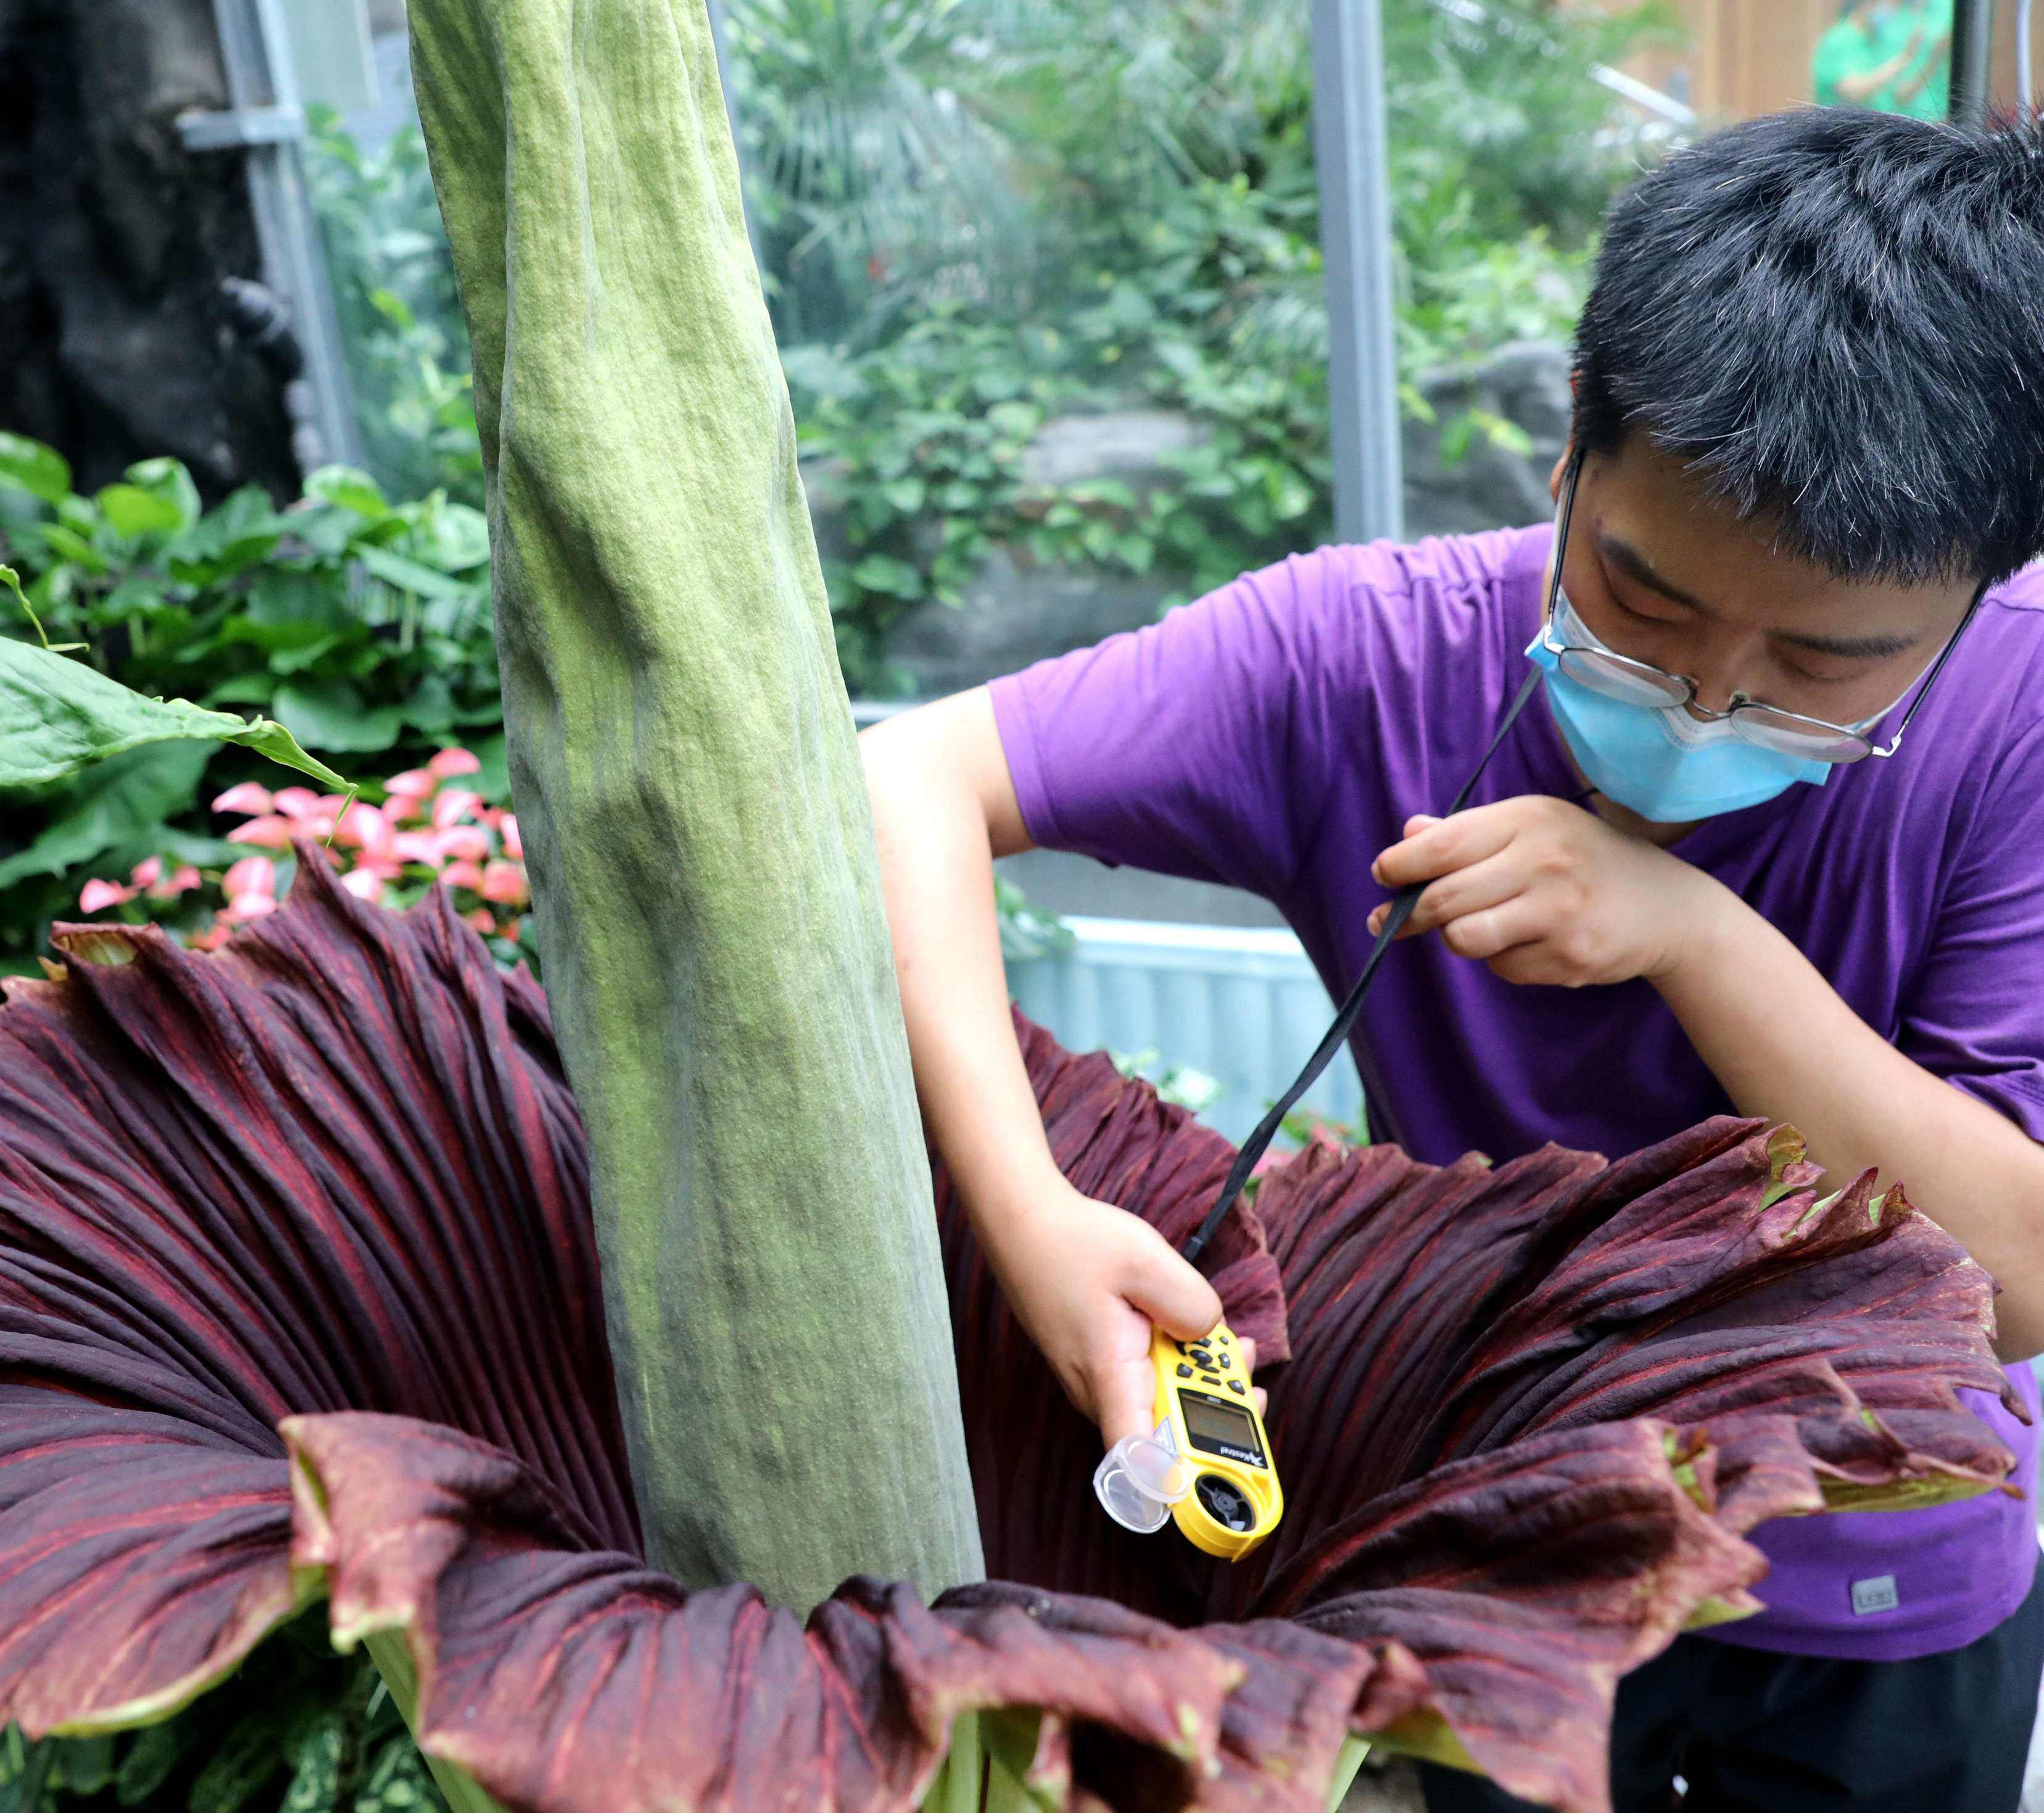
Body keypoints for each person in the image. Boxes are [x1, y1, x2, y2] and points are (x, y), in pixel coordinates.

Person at [863, 109, 2044, 1811]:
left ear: (1979, 590)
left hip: (1886, 1570)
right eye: (1641, 600)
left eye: (1819, 660)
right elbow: (907, 779)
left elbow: (2012, 1276)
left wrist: (1694, 937)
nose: (1708, 699)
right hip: (1500, 1550)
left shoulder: (2016, 726)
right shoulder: (1359, 654)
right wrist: (1027, 1209)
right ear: (1571, 447)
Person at [1813, 0, 1953, 119]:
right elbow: (1852, 92)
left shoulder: (1876, 42)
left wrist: (1934, 59)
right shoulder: (1841, 39)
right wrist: (1903, 60)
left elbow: (1899, 96)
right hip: (1842, 135)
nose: (1892, 11)